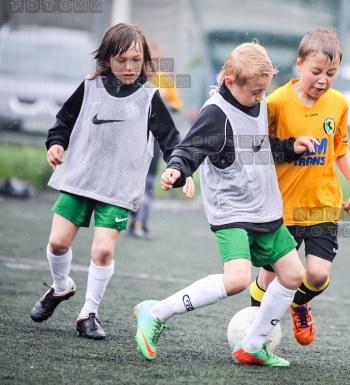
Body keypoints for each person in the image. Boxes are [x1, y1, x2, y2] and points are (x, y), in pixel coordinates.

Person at [133, 42, 319, 366]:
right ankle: (156, 312)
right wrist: (178, 169)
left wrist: (290, 148)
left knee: (293, 274)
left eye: (265, 90)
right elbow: (190, 148)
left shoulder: (256, 102)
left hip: (263, 205)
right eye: (256, 92)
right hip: (231, 208)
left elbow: (256, 145)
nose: (262, 98)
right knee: (236, 279)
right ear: (231, 83)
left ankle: (252, 344)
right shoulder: (216, 114)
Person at [29, 23, 194, 340]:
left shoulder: (149, 97)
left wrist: (180, 169)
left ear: (144, 58)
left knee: (102, 251)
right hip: (80, 179)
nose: (129, 67)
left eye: (136, 59)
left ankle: (88, 314)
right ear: (107, 59)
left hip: (118, 189)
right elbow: (62, 122)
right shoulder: (90, 87)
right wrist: (55, 143)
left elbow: (173, 140)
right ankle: (61, 287)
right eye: (121, 60)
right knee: (58, 243)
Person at [248, 27, 350, 347]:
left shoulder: (338, 103)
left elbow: (340, 149)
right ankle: (256, 324)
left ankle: (299, 303)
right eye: (316, 71)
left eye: (331, 72)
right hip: (283, 207)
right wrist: (290, 147)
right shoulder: (276, 102)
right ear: (300, 65)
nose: (323, 79)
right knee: (270, 277)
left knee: (317, 275)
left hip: (323, 204)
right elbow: (257, 148)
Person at [128, 42, 183, 240]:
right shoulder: (134, 80)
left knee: (148, 181)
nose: (154, 64)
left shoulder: (165, 81)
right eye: (151, 60)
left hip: (154, 140)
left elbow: (176, 106)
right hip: (133, 139)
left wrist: (166, 102)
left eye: (158, 60)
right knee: (131, 179)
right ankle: (131, 220)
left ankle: (140, 223)